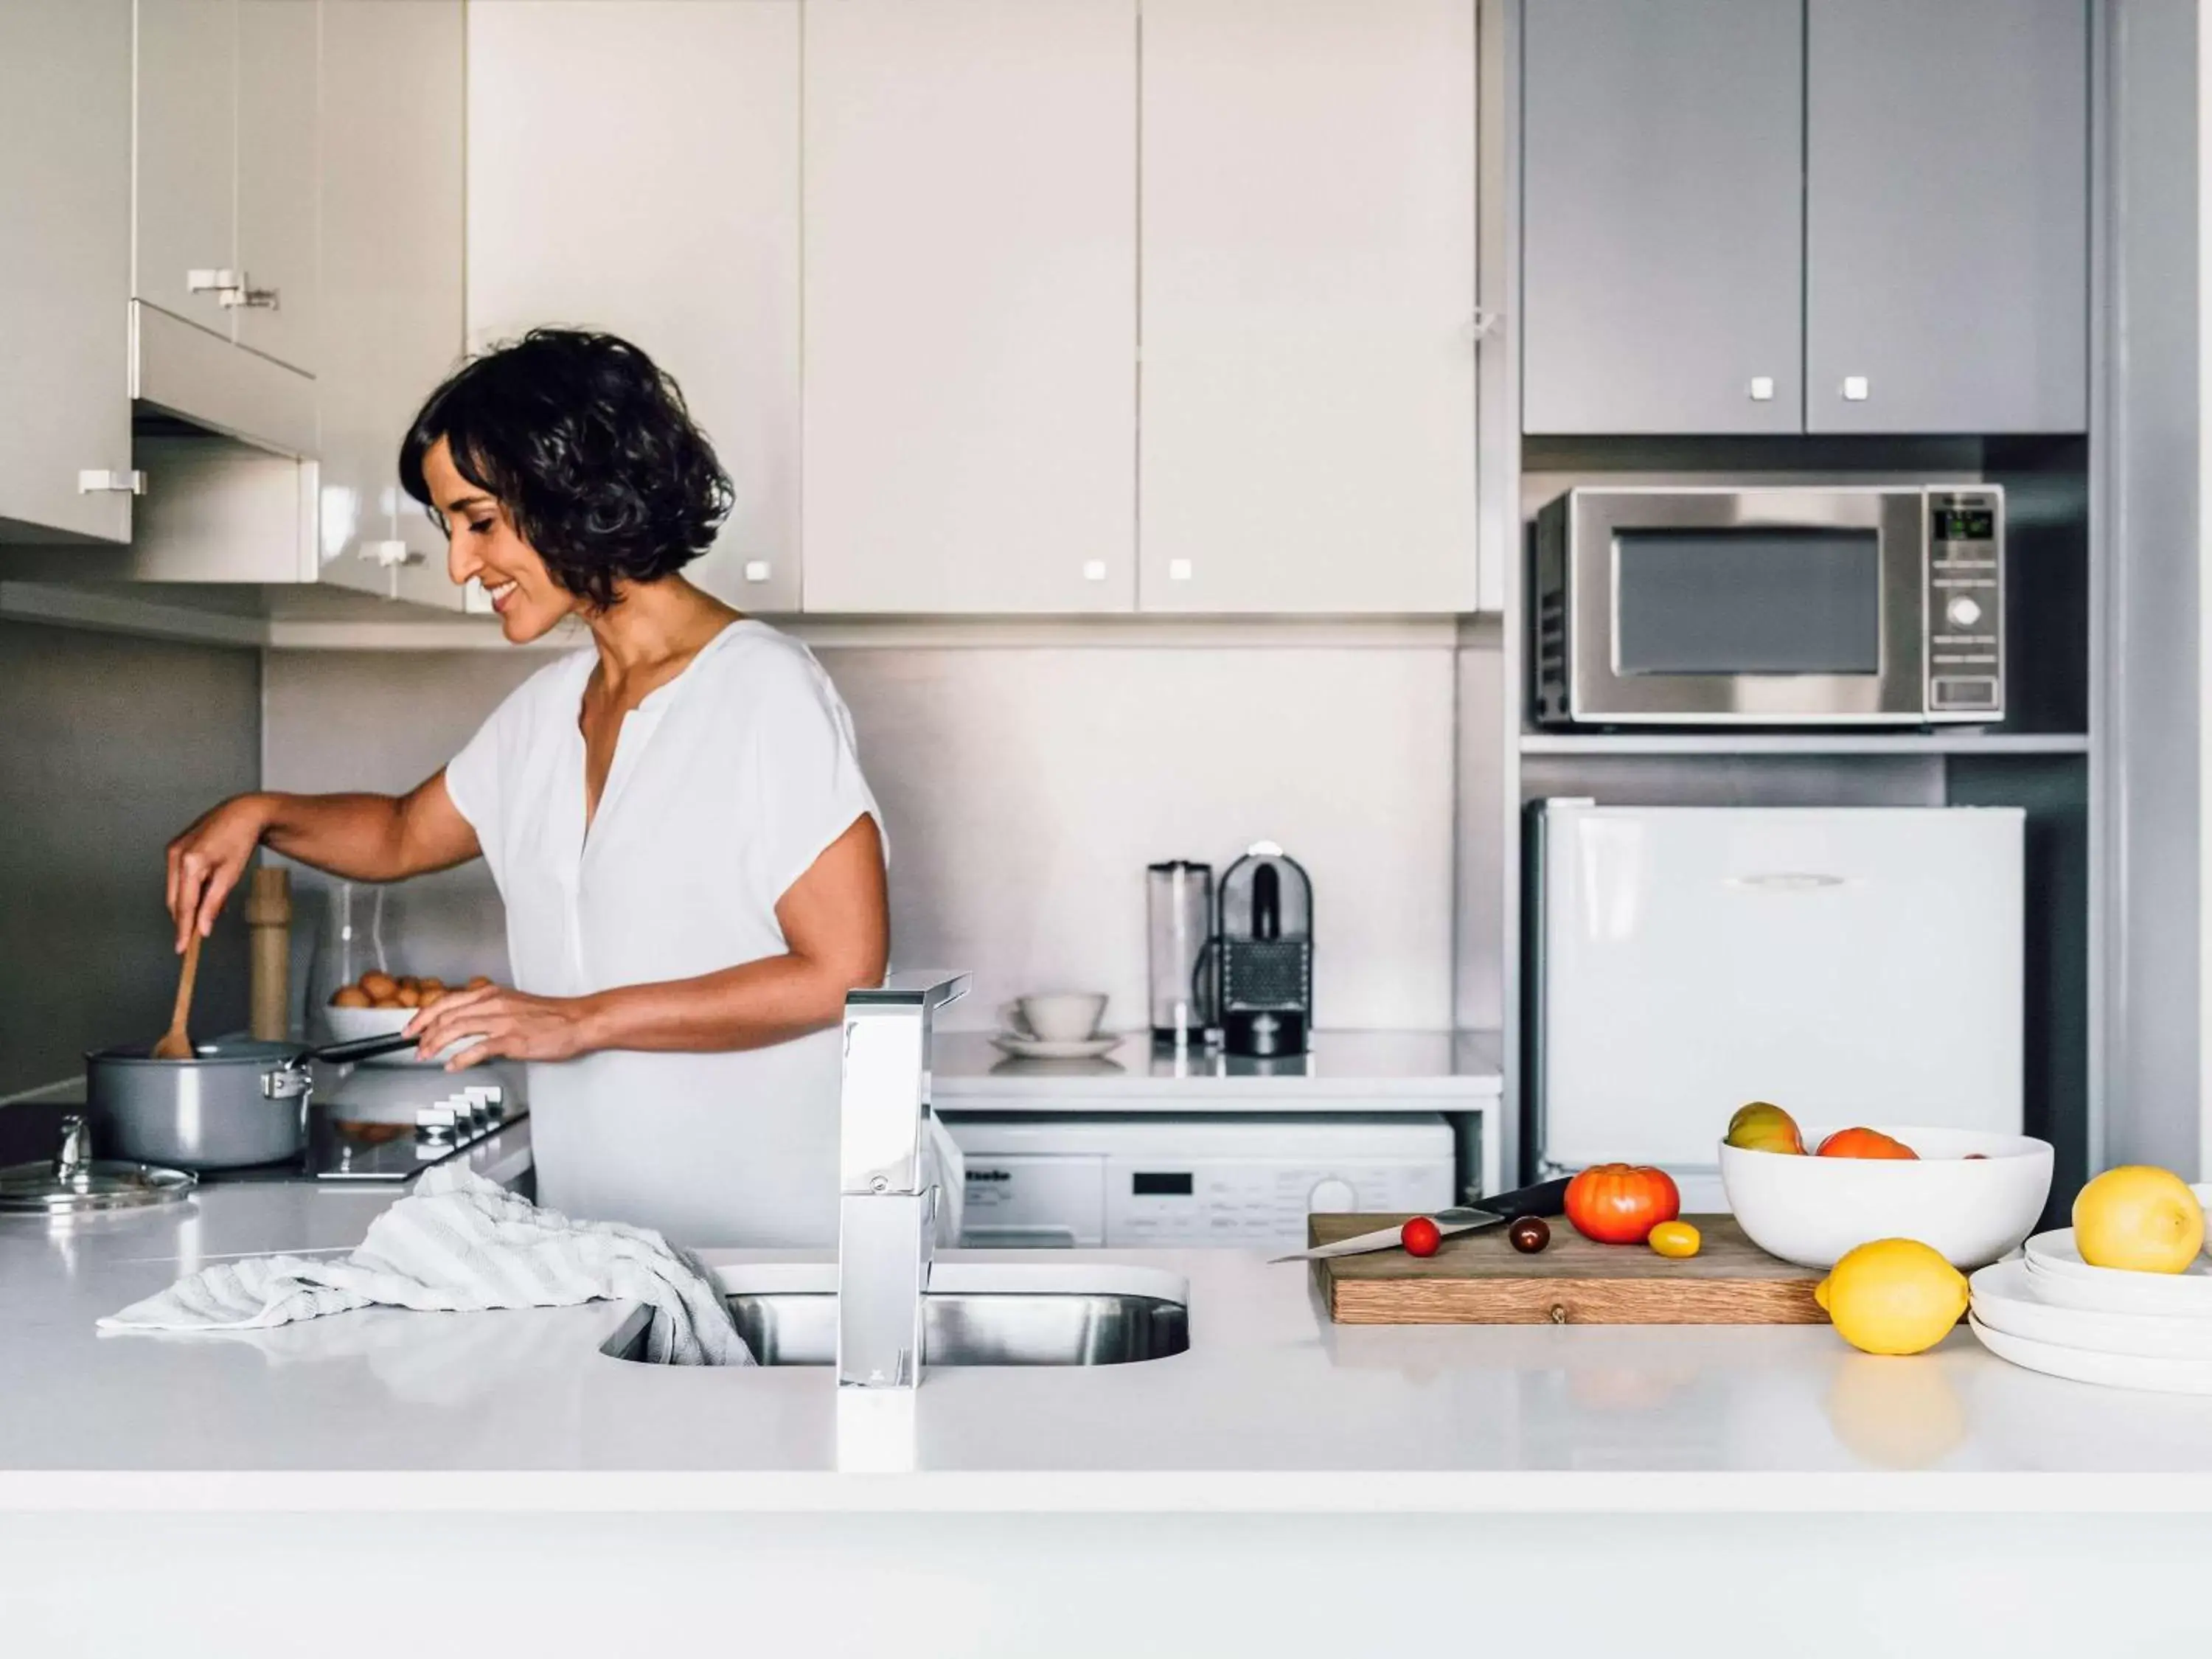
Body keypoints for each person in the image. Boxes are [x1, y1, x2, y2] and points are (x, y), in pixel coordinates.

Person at [164, 329, 888, 1245]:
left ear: (572, 492)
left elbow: (842, 974)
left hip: (781, 1248)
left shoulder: (762, 689)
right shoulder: (547, 712)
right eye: (451, 529)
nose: (463, 566)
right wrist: (257, 812)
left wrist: (578, 1021)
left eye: (479, 521)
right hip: (612, 1247)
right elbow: (397, 835)